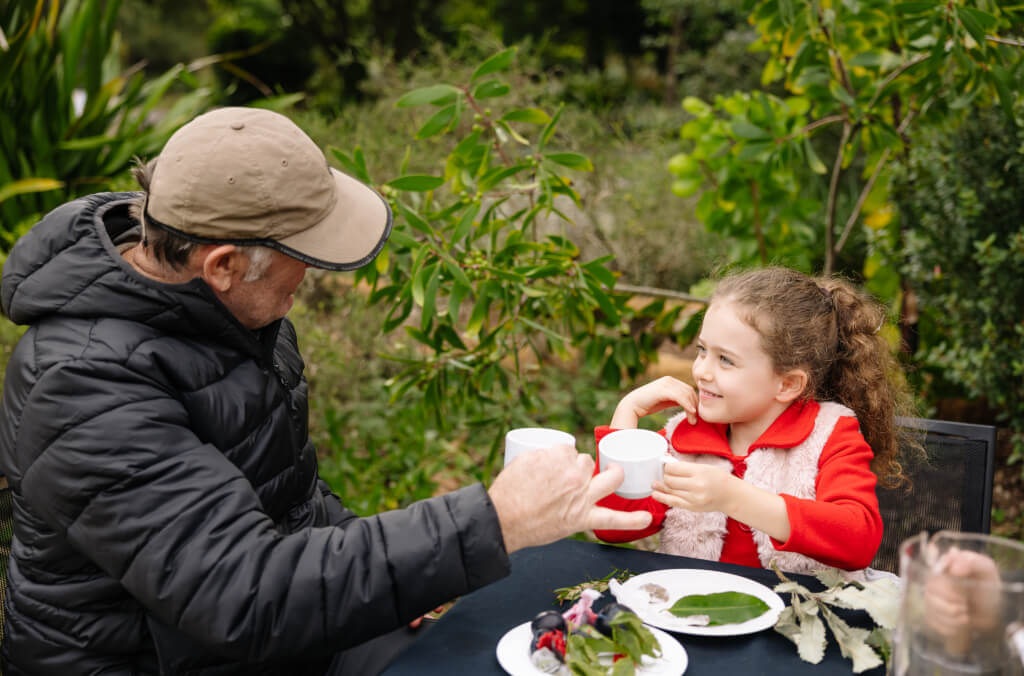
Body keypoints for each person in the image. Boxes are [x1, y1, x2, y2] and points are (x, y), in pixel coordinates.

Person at [0, 106, 650, 676]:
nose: (310, 274)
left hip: (281, 638)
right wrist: (491, 524)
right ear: (223, 264)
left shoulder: (244, 314)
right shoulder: (83, 386)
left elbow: (291, 499)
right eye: (302, 253)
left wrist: (417, 583)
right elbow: (243, 595)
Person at [593, 266, 913, 577]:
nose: (701, 370)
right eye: (702, 350)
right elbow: (611, 526)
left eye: (726, 360)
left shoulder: (830, 435)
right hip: (691, 615)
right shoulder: (686, 434)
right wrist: (627, 413)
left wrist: (733, 497)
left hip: (794, 622)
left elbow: (858, 540)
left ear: (787, 384)